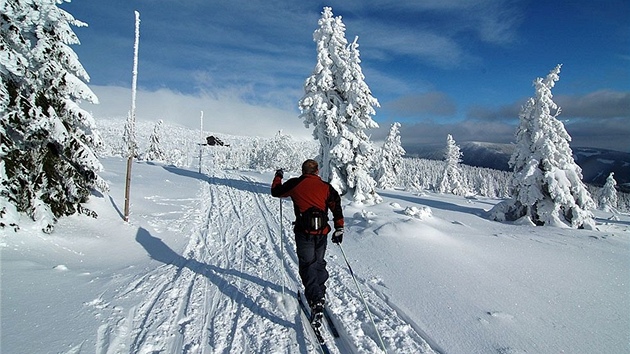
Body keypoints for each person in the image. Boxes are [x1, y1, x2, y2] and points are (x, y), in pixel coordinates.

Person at [271, 159, 344, 322]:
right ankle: (320, 292)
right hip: (322, 232)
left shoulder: (295, 184)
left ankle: (316, 299)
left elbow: (276, 192)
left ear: (303, 171)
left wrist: (278, 176)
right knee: (318, 262)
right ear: (317, 171)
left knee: (307, 264)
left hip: (304, 232)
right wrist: (339, 228)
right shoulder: (326, 187)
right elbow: (336, 207)